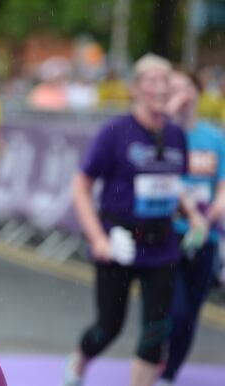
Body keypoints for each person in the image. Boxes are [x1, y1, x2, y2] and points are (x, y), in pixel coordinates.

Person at [64, 54, 206, 386]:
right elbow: (80, 188)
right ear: (136, 89)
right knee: (108, 327)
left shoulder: (175, 136)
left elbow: (174, 186)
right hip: (118, 243)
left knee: (157, 332)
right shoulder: (115, 132)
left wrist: (194, 215)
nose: (160, 88)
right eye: (152, 81)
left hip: (162, 246)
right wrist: (98, 238)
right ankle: (80, 360)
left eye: (166, 81)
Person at [158, 69, 225, 385]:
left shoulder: (214, 137)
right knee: (175, 308)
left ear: (199, 93)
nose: (182, 95)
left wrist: (215, 208)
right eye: (174, 90)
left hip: (206, 235)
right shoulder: (164, 135)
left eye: (187, 88)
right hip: (170, 232)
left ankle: (170, 373)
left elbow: (222, 184)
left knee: (191, 314)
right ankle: (155, 358)